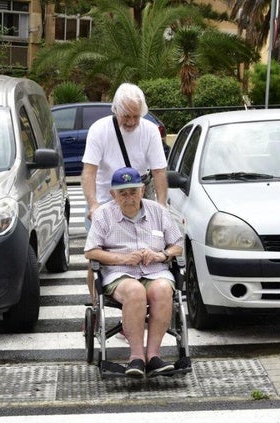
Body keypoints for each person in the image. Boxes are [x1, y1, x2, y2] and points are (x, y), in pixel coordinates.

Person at [84, 167, 183, 378]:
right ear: (113, 194)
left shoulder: (158, 211)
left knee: (163, 290)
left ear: (142, 190)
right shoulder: (103, 215)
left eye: (133, 191)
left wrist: (161, 255)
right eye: (123, 193)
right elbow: (91, 251)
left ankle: (154, 356)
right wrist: (124, 259)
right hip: (120, 273)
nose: (128, 198)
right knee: (135, 291)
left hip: (155, 270)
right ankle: (136, 357)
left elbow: (178, 245)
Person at [81, 82, 169, 300]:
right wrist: (93, 205)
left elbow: (159, 171)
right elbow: (89, 172)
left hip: (139, 194)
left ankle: (134, 305)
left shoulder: (149, 131)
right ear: (116, 110)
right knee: (97, 258)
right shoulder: (99, 130)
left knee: (142, 254)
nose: (131, 122)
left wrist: (162, 204)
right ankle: (95, 304)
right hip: (106, 195)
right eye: (126, 116)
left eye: (135, 117)